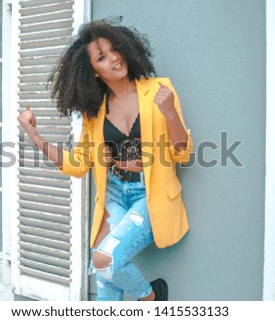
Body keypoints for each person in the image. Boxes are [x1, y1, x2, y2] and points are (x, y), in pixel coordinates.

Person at [17, 19, 193, 301]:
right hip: (114, 193)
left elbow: (182, 152)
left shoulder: (159, 90)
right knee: (105, 277)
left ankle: (149, 298)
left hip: (148, 194)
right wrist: (34, 134)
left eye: (115, 50)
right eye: (102, 57)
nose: (114, 58)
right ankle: (147, 298)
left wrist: (170, 112)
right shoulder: (94, 113)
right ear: (93, 72)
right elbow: (77, 165)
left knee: (104, 260)